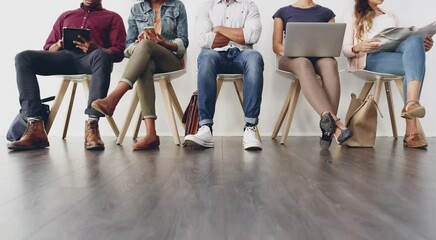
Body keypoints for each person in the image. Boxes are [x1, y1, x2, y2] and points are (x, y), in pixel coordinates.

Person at [8, 0, 126, 151]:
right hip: (63, 57)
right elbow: (48, 48)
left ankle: (92, 125)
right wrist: (58, 44)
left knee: (102, 55)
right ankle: (35, 124)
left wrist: (96, 48)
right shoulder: (66, 15)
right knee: (23, 57)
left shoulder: (112, 17)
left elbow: (118, 51)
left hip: (90, 59)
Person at [91, 0, 188, 150]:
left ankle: (114, 97)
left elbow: (183, 41)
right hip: (146, 58)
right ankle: (151, 135)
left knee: (146, 46)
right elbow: (127, 47)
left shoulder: (177, 6)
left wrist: (163, 43)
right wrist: (138, 44)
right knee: (145, 62)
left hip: (170, 59)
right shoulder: (136, 9)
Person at [343, 0, 434, 148]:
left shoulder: (390, 15)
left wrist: (423, 47)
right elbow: (345, 49)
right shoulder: (353, 14)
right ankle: (411, 130)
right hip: (369, 59)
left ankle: (411, 105)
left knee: (415, 39)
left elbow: (402, 44)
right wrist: (358, 47)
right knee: (415, 65)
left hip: (391, 54)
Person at [184, 0, 264, 150]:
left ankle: (250, 128)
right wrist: (239, 33)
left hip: (243, 54)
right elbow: (204, 39)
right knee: (205, 58)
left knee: (255, 57)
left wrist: (219, 29)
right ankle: (205, 127)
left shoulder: (249, 5)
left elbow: (252, 36)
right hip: (215, 55)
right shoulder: (207, 6)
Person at [272, 0, 353, 149]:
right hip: (291, 59)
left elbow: (331, 44)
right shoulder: (282, 12)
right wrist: (295, 50)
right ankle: (335, 124)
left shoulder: (326, 13)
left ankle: (328, 125)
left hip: (319, 58)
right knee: (303, 63)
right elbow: (276, 45)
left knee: (330, 63)